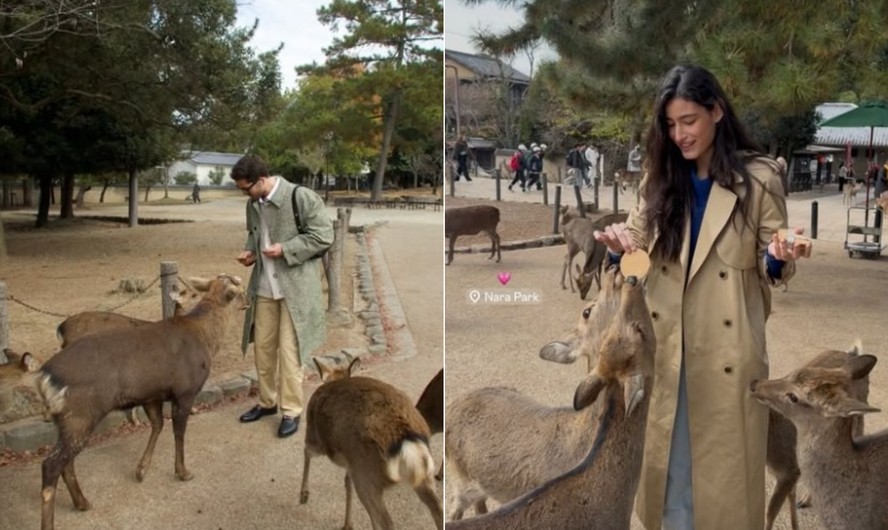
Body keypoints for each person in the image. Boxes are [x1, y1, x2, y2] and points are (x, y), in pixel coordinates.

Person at [593, 64, 811, 530]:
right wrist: (619, 251)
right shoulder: (659, 175)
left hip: (726, 355)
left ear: (716, 111)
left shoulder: (758, 179)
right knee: (667, 475)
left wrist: (777, 254)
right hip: (665, 349)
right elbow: (636, 250)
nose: (679, 135)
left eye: (688, 121)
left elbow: (772, 263)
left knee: (724, 484)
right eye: (670, 125)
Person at [231, 155, 335, 438]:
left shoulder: (301, 197)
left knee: (290, 353)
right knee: (262, 349)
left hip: (295, 289)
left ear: (261, 180)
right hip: (264, 287)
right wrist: (251, 252)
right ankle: (267, 402)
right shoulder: (253, 205)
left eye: (246, 188)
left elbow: (324, 235)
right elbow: (255, 235)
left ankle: (291, 410)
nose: (245, 193)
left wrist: (286, 249)